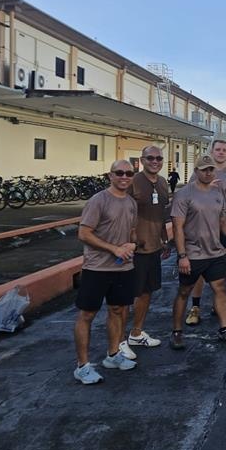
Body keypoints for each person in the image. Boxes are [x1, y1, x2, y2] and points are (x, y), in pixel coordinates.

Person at [170, 154, 226, 349]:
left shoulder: (217, 194)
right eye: (204, 169)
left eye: (211, 169)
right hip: (192, 253)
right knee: (184, 292)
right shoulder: (184, 195)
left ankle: (225, 330)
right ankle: (177, 332)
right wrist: (182, 256)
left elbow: (223, 222)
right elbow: (177, 227)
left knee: (220, 288)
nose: (208, 172)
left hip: (215, 252)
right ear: (196, 171)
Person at [73, 160, 138, 385]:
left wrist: (132, 245)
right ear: (110, 175)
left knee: (118, 310)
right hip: (96, 267)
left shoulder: (131, 203)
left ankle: (113, 355)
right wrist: (114, 249)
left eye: (129, 173)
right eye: (119, 173)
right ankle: (82, 366)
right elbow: (84, 233)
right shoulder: (98, 201)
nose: (124, 176)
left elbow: (131, 232)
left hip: (122, 268)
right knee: (87, 314)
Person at [117, 146, 170, 361]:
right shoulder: (133, 182)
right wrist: (125, 241)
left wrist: (165, 240)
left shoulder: (163, 183)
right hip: (133, 250)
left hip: (153, 248)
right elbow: (119, 211)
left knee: (147, 292)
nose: (155, 161)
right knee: (125, 298)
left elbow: (162, 214)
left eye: (159, 158)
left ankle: (136, 333)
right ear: (142, 160)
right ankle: (119, 342)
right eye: (150, 158)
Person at [186, 139, 226, 326]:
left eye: (224, 150)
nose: (220, 152)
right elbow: (188, 199)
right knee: (200, 269)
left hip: (223, 224)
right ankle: (195, 307)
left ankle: (218, 305)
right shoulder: (200, 173)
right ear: (211, 151)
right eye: (217, 149)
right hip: (201, 225)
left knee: (220, 267)